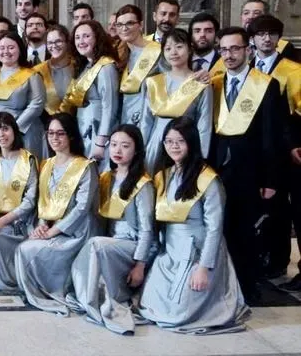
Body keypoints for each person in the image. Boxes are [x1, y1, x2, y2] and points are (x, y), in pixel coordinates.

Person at [138, 117, 249, 334]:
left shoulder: (208, 179)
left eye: (180, 141)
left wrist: (203, 268)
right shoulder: (163, 176)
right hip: (170, 253)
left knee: (179, 314)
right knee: (149, 306)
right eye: (169, 141)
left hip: (198, 252)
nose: (174, 146)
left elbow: (215, 228)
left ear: (192, 143)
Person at [210, 27, 283, 301]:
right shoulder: (215, 83)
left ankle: (247, 289)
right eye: (224, 50)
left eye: (235, 49)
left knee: (246, 233)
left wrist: (270, 180)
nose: (229, 55)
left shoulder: (265, 84)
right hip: (218, 169)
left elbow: (272, 136)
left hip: (251, 171)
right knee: (221, 228)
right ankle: (222, 287)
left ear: (248, 50)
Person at [68, 124, 155, 335]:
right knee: (92, 242)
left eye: (125, 146)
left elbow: (147, 230)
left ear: (136, 150)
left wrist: (140, 266)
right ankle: (89, 296)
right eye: (113, 144)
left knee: (96, 244)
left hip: (134, 245)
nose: (117, 150)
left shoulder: (142, 184)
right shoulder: (106, 177)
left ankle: (93, 300)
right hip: (112, 242)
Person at [16, 113, 99, 314]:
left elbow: (82, 208)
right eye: (51, 133)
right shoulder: (47, 164)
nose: (55, 138)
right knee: (24, 247)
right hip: (53, 227)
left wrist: (52, 232)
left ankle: (52, 290)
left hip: (76, 231)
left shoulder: (85, 166)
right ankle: (37, 291)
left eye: (60, 133)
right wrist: (42, 225)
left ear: (70, 136)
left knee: (29, 250)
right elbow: (44, 200)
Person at [248, 15, 301, 285]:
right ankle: (263, 257)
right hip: (255, 151)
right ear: (253, 39)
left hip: (286, 151)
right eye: (261, 34)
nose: (266, 38)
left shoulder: (293, 70)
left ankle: (282, 261)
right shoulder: (247, 67)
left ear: (279, 38)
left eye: (271, 34)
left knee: (285, 208)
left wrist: (294, 144)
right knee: (262, 205)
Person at [0, 113, 39, 291]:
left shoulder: (28, 160)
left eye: (5, 128)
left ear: (14, 130)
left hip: (21, 222)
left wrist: (1, 222)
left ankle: (10, 280)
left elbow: (30, 200)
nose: (1, 134)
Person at [140, 28, 213, 174]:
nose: (173, 52)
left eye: (179, 47)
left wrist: (201, 157)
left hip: (185, 144)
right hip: (156, 142)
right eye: (168, 48)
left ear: (190, 49)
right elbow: (146, 121)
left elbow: (204, 124)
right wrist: (141, 149)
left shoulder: (200, 83)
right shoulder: (153, 82)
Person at [62, 20, 119, 172]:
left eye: (86, 36)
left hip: (99, 131)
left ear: (97, 38)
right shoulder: (85, 65)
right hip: (83, 128)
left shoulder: (106, 67)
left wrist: (101, 142)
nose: (81, 41)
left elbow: (110, 107)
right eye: (77, 37)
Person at [114, 5, 162, 128]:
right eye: (119, 24)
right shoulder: (118, 54)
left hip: (149, 120)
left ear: (140, 25)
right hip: (123, 118)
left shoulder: (157, 51)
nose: (124, 28)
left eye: (129, 23)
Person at [32, 25, 74, 150]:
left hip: (76, 128)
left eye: (58, 41)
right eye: (50, 42)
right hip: (49, 130)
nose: (54, 46)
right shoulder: (38, 70)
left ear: (67, 42)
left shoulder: (79, 66)